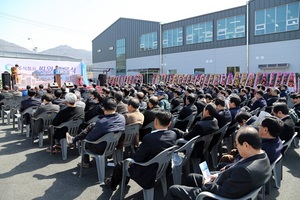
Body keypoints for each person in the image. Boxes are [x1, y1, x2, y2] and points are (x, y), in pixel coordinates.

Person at [165, 126, 271, 200]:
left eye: (237, 144)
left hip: (215, 195)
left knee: (173, 190)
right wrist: (217, 175)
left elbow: (222, 193)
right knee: (191, 177)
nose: (236, 147)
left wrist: (207, 183)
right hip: (226, 182)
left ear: (246, 145)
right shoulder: (262, 156)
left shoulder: (245, 171)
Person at [107, 110, 176, 191]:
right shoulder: (172, 134)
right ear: (169, 124)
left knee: (121, 165)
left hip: (147, 171)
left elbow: (137, 158)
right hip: (163, 167)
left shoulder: (149, 138)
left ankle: (112, 184)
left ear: (155, 122)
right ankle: (124, 179)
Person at [66, 98, 125, 167]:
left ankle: (85, 162)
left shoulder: (102, 122)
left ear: (104, 108)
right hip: (115, 144)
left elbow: (89, 139)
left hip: (101, 148)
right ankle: (73, 139)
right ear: (116, 108)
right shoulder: (122, 118)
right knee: (92, 125)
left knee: (84, 141)